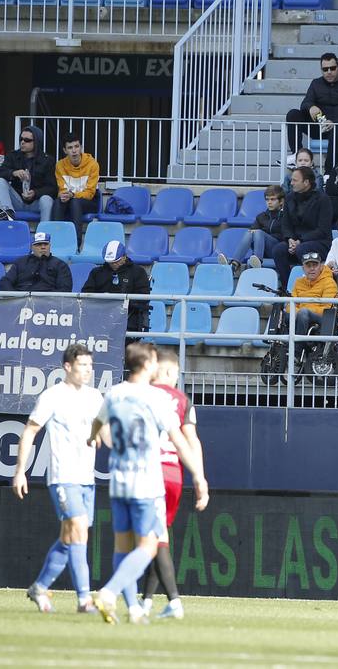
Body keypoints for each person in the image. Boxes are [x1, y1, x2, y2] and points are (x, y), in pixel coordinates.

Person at [87, 343, 208, 624]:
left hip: (118, 481)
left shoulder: (114, 393)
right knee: (149, 547)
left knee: (122, 547)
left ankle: (133, 610)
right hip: (146, 482)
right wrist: (199, 477)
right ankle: (109, 592)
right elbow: (179, 440)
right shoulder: (156, 398)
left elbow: (97, 424)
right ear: (148, 364)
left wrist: (94, 439)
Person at [12, 343, 104, 615]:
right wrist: (20, 470)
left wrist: (102, 436)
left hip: (87, 477)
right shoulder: (52, 396)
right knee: (77, 533)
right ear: (67, 366)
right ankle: (85, 600)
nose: (88, 370)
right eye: (82, 365)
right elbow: (30, 431)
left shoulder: (95, 396)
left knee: (71, 539)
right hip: (63, 476)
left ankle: (40, 587)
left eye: (90, 365)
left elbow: (102, 428)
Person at [136, 350, 201, 620]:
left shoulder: (142, 396)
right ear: (171, 372)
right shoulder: (183, 400)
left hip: (150, 473)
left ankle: (174, 601)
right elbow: (192, 441)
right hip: (174, 474)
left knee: (155, 541)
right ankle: (147, 602)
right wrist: (200, 476)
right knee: (158, 538)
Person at [285, 54, 338, 154]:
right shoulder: (316, 83)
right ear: (321, 70)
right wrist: (311, 107)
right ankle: (296, 155)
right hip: (319, 128)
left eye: (332, 68)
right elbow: (305, 103)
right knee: (293, 114)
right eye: (325, 69)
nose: (329, 72)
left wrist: (335, 122)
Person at [272, 166, 333, 272]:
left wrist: (300, 241)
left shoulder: (323, 199)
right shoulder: (289, 198)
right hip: (296, 242)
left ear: (306, 182)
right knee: (279, 249)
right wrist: (290, 239)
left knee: (302, 249)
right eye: (291, 180)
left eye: (295, 180)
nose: (291, 183)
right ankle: (286, 286)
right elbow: (286, 224)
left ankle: (309, 283)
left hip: (319, 242)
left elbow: (322, 230)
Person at [81, 241, 151, 332]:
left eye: (116, 262)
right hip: (99, 316)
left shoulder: (137, 272)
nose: (113, 265)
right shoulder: (97, 273)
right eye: (110, 262)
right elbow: (86, 293)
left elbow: (143, 296)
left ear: (124, 257)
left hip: (128, 317)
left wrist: (122, 302)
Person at [0, 125, 56, 222]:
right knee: (0, 181)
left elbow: (52, 188)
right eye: (21, 139)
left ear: (37, 142)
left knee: (47, 199)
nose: (22, 142)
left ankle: (43, 232)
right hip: (17, 200)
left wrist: (35, 193)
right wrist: (13, 173)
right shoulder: (13, 156)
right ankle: (7, 213)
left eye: (27, 140)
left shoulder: (47, 160)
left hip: (36, 202)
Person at [0, 230, 72, 292]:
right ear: (32, 247)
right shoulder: (20, 262)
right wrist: (14, 298)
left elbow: (65, 289)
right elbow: (4, 282)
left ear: (50, 246)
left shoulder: (60, 265)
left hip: (49, 303)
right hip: (21, 301)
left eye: (45, 244)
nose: (43, 247)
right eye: (39, 244)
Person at [55, 133, 100, 232]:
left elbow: (90, 194)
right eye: (70, 148)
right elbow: (61, 189)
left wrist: (73, 195)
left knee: (75, 202)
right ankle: (55, 240)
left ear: (81, 147)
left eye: (76, 146)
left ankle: (76, 243)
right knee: (58, 202)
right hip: (69, 199)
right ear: (65, 150)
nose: (74, 151)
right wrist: (63, 195)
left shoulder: (92, 164)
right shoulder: (60, 165)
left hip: (89, 201)